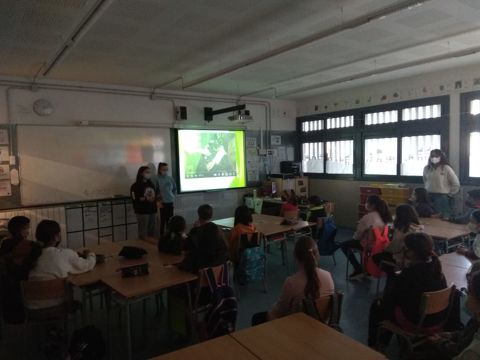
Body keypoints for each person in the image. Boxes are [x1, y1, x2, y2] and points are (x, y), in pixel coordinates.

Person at [368, 232, 447, 347]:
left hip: (416, 324)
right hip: (436, 321)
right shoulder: (437, 270)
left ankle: (375, 345)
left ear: (412, 252)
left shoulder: (408, 274)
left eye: (405, 249)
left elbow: (391, 300)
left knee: (378, 306)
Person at [251, 236, 334, 325]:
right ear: (317, 255)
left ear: (296, 257)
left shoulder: (292, 282)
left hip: (297, 329)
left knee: (257, 318)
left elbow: (279, 311)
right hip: (321, 327)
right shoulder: (328, 276)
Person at [28, 220, 96, 308]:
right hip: (58, 306)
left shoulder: (32, 255)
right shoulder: (65, 254)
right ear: (56, 237)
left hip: (32, 307)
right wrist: (91, 254)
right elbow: (87, 265)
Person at [426, 271, 480, 359]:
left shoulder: (473, 351)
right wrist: (451, 335)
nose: (466, 296)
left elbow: (458, 351)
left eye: (469, 292)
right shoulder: (476, 317)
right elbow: (466, 335)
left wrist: (440, 342)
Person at [340, 195, 392, 280]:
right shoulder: (384, 215)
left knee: (343, 245)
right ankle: (366, 269)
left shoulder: (368, 217)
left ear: (372, 205)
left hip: (367, 245)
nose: (365, 204)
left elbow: (358, 235)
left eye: (367, 202)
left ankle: (358, 268)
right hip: (380, 245)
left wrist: (355, 238)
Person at [374, 204, 423, 268]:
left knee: (375, 256)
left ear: (399, 216)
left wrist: (384, 248)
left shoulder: (402, 230)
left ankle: (392, 275)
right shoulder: (418, 227)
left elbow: (394, 248)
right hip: (415, 259)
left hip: (403, 259)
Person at [423, 149, 460, 219]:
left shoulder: (446, 168)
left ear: (441, 157)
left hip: (442, 197)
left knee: (442, 219)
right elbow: (425, 181)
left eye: (436, 156)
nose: (434, 158)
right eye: (432, 156)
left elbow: (456, 184)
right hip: (428, 196)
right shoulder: (426, 168)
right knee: (430, 219)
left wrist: (449, 195)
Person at [130, 166, 158, 240]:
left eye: (149, 172)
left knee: (151, 231)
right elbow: (135, 199)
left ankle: (151, 248)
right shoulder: (135, 186)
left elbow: (154, 196)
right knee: (143, 232)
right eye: (147, 172)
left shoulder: (151, 184)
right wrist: (145, 199)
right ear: (141, 173)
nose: (149, 174)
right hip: (142, 212)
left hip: (152, 210)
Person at [155, 162, 177, 235]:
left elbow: (174, 189)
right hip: (162, 203)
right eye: (163, 169)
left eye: (166, 169)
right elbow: (154, 191)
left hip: (170, 202)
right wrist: (158, 201)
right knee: (162, 221)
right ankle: (161, 236)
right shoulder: (156, 178)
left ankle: (169, 235)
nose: (165, 171)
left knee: (170, 220)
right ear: (159, 169)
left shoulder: (170, 178)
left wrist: (172, 197)